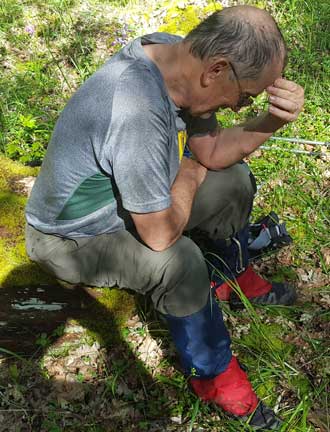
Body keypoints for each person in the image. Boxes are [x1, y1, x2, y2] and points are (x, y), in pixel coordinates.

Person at [25, 5, 304, 430]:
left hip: (128, 202)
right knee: (180, 261)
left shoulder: (178, 58)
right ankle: (212, 376)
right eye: (247, 96)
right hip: (72, 238)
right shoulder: (137, 107)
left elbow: (211, 152)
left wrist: (270, 121)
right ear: (217, 69)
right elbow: (160, 236)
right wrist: (190, 169)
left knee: (232, 181)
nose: (237, 107)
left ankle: (231, 274)